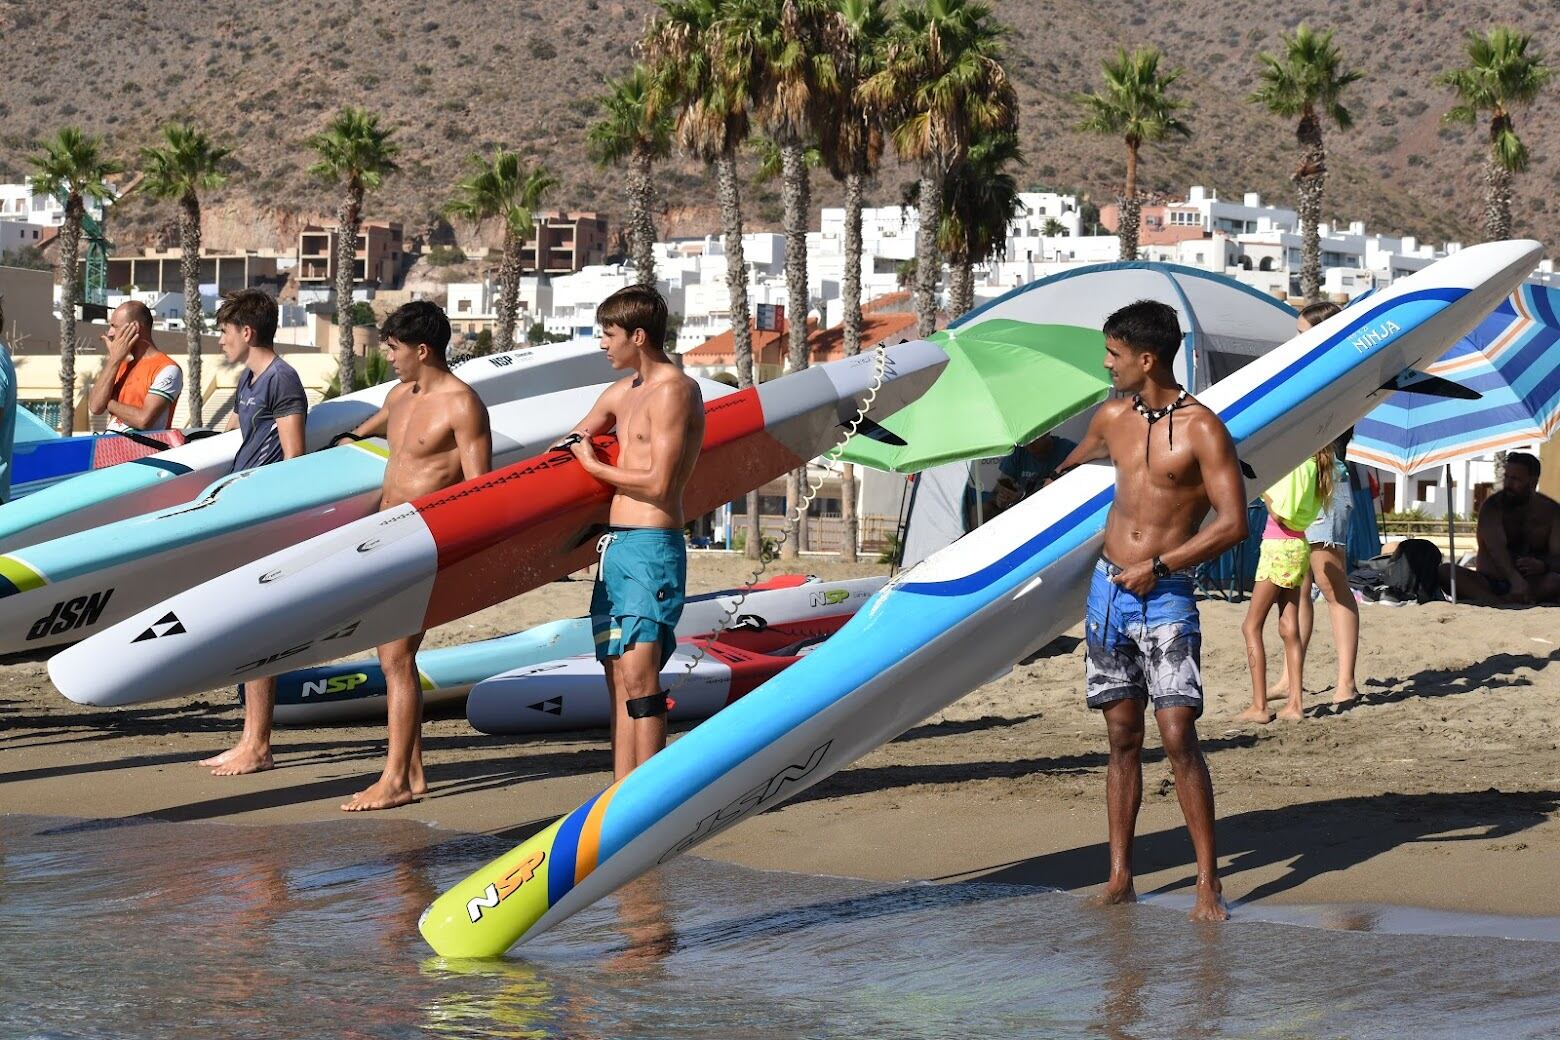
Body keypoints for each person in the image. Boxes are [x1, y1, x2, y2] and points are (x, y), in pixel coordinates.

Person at [1050, 299, 1249, 922]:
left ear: (1146, 359)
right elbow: (1070, 468)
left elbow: (1233, 523)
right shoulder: (1111, 417)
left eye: (1113, 354)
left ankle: (1208, 883)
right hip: (1107, 594)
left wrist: (1159, 566)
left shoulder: (1203, 429)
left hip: (1165, 595)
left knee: (1178, 734)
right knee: (1121, 736)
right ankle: (1120, 878)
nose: (1106, 365)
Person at [330, 301, 492, 811]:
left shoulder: (462, 405)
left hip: (426, 542)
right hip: (384, 539)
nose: (389, 357)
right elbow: (362, 436)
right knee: (391, 656)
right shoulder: (399, 396)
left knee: (396, 657)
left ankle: (396, 779)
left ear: (422, 350)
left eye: (394, 349)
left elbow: (481, 490)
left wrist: (467, 560)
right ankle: (414, 773)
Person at [557, 284, 704, 781]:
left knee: (641, 674)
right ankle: (620, 790)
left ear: (637, 336)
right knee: (617, 674)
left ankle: (651, 792)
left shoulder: (675, 391)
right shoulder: (621, 393)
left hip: (650, 546)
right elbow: (573, 439)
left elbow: (659, 483)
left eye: (609, 334)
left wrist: (594, 466)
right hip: (614, 548)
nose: (602, 344)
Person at [200, 289, 309, 776]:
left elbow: (295, 459)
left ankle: (259, 745)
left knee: (260, 625)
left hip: (268, 517)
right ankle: (249, 738)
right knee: (246, 625)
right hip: (242, 509)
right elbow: (239, 440)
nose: (220, 339)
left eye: (224, 331)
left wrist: (276, 519)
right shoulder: (249, 378)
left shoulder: (282, 379)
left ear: (247, 332)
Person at [1271, 301, 1362, 706]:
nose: (1296, 341)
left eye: (1303, 333)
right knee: (1296, 583)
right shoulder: (1304, 372)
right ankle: (1289, 678)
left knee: (1330, 580)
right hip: (1297, 483)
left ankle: (1346, 682)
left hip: (1327, 483)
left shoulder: (1343, 374)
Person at [1238, 449, 1328, 724]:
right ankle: (1295, 704)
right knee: (1289, 627)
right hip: (1298, 544)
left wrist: (1263, 488)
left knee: (1251, 626)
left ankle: (1259, 705)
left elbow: (1279, 514)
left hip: (1279, 547)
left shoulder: (1298, 465)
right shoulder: (1316, 466)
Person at [1442, 451, 1560, 605]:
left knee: (1555, 580)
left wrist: (1543, 565)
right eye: (1506, 477)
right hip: (1489, 582)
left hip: (1533, 583)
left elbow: (1557, 556)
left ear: (1533, 482)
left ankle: (1511, 599)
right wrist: (1515, 579)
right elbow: (1496, 549)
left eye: (1515, 479)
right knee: (1445, 571)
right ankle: (1499, 602)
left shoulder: (1551, 512)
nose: (1508, 484)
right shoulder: (1492, 507)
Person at [89, 300, 183, 432]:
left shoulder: (167, 369)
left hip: (142, 445)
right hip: (110, 443)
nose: (110, 333)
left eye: (114, 326)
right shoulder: (120, 365)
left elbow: (143, 420)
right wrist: (113, 360)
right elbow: (95, 407)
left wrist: (108, 403)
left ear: (134, 327)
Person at [967, 433, 1079, 526]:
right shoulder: (1018, 451)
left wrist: (1022, 497)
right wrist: (1000, 498)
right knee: (980, 511)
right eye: (1026, 439)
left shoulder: (1068, 450)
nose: (1029, 444)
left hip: (1053, 509)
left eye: (1033, 439)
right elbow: (999, 488)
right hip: (1018, 509)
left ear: (1046, 433)